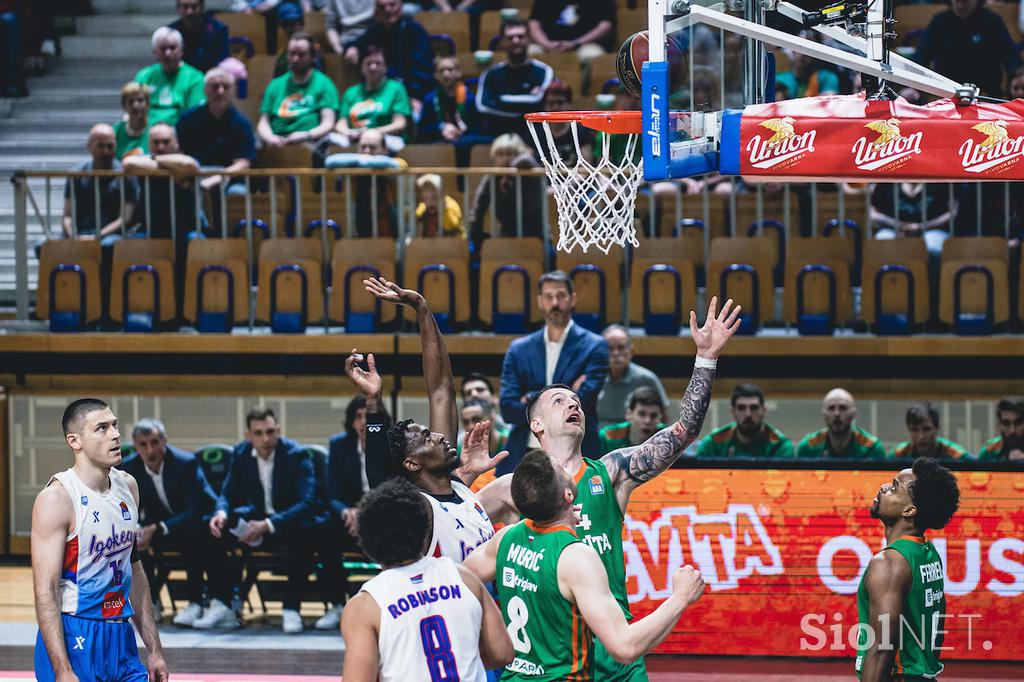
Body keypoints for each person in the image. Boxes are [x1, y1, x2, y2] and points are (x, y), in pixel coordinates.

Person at [479, 297, 740, 682]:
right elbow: (457, 544)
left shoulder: (613, 471)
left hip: (616, 651)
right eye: (559, 400)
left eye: (576, 400)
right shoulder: (511, 488)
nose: (573, 404)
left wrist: (706, 359)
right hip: (552, 656)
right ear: (536, 425)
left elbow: (683, 431)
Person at [466, 450, 707, 680]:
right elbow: (625, 646)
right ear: (568, 495)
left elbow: (460, 578)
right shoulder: (576, 557)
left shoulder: (506, 538)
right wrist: (680, 597)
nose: (565, 467)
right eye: (560, 468)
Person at [363, 276, 506, 564]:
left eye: (432, 433)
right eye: (426, 438)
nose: (440, 436)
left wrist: (422, 308)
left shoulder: (462, 490)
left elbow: (441, 389)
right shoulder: (416, 509)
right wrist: (374, 404)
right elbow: (378, 476)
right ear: (412, 463)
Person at [32, 399, 168, 682]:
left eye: (115, 425)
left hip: (120, 636)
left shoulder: (128, 485)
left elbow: (134, 567)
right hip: (76, 633)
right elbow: (46, 590)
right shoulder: (57, 498)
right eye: (102, 428)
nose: (115, 434)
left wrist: (154, 649)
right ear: (75, 441)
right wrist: (62, 669)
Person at [340, 478, 514, 681]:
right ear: (425, 533)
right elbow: (503, 653)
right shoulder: (464, 578)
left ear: (366, 544)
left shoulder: (364, 606)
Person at [196, 406, 316, 633]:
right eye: (258, 433)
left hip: (286, 523)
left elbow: (307, 503)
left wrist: (268, 525)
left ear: (278, 430)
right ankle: (222, 603)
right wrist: (221, 512)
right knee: (210, 526)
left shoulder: (296, 455)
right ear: (248, 435)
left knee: (307, 531)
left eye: (270, 431)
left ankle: (291, 608)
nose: (266, 438)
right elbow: (227, 493)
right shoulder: (241, 453)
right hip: (254, 522)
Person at [855, 458, 960, 682]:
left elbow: (882, 648)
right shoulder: (927, 553)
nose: (883, 488)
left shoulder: (889, 563)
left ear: (910, 510)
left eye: (894, 487)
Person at [499, 270, 609, 473]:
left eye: (561, 296)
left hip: (579, 454)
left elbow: (584, 400)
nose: (555, 303)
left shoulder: (595, 346)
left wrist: (531, 399)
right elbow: (507, 408)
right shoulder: (519, 349)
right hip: (524, 452)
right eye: (549, 297)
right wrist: (566, 393)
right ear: (540, 301)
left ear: (572, 298)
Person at [119, 418, 217, 627]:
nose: (150, 449)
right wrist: (136, 530)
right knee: (136, 543)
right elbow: (125, 508)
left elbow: (195, 510)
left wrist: (157, 528)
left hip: (193, 524)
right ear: (135, 446)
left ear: (164, 441)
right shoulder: (129, 468)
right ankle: (150, 602)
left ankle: (195, 603)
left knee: (193, 538)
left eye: (155, 442)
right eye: (143, 445)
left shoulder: (185, 463)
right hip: (159, 527)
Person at [314, 382, 392, 630]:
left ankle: (388, 605)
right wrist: (345, 511)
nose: (362, 422)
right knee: (323, 528)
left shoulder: (391, 443)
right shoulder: (339, 445)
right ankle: (336, 605)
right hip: (349, 519)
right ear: (351, 421)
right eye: (357, 417)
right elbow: (331, 491)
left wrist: (367, 514)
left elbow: (396, 489)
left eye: (367, 416)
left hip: (381, 517)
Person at [176, 68, 257, 196]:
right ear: (205, 90)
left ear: (233, 91)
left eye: (226, 87)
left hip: (229, 179)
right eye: (215, 86)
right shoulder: (187, 119)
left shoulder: (242, 123)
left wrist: (219, 177)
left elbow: (243, 162)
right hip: (194, 176)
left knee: (238, 192)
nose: (220, 91)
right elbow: (178, 152)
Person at [916, 0, 1020, 98]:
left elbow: (1010, 55)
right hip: (946, 94)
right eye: (957, 1)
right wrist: (911, 87)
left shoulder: (993, 21)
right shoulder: (939, 21)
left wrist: (1017, 77)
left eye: (965, 1)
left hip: (985, 94)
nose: (960, 6)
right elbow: (921, 56)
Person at [258, 32, 339, 148]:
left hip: (310, 140)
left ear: (312, 57)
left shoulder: (324, 84)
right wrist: (270, 137)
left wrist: (306, 135)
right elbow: (263, 121)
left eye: (301, 55)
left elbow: (328, 122)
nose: (295, 59)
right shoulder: (275, 84)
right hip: (277, 140)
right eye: (291, 54)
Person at [345, 0, 434, 105]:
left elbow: (421, 69)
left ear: (400, 7)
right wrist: (353, 47)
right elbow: (360, 42)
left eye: (392, 5)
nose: (387, 10)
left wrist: (415, 95)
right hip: (382, 91)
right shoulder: (376, 29)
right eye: (382, 7)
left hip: (410, 92)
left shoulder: (414, 30)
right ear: (376, 10)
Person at [476, 18, 553, 139]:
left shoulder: (543, 71)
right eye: (510, 38)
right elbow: (483, 106)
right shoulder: (491, 74)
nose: (516, 41)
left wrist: (501, 99)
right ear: (502, 41)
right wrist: (525, 107)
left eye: (520, 36)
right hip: (497, 134)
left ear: (529, 38)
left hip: (532, 135)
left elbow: (538, 101)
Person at [468, 133, 545, 246]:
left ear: (518, 154)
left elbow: (527, 159)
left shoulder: (530, 174)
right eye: (500, 154)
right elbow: (476, 212)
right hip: (507, 236)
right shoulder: (492, 178)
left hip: (536, 237)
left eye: (510, 154)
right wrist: (477, 240)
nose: (505, 159)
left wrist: (510, 174)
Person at [336, 46, 411, 150]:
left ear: (385, 67)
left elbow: (400, 123)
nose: (373, 67)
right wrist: (349, 133)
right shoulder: (351, 92)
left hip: (385, 137)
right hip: (355, 137)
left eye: (378, 63)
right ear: (361, 67)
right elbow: (341, 124)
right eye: (368, 63)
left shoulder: (396, 89)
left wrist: (372, 133)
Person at [596, 324, 669, 429]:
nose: (616, 353)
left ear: (631, 351)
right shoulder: (591, 378)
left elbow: (663, 417)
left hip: (635, 442)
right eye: (610, 348)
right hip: (598, 442)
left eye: (621, 347)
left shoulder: (646, 379)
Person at [695, 383, 793, 458]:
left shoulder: (780, 446)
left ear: (764, 410)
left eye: (754, 408)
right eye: (741, 408)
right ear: (733, 412)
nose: (748, 414)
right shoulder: (713, 444)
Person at [134, 27, 206, 127]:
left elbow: (195, 114)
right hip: (147, 132)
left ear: (181, 50)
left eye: (172, 48)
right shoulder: (144, 76)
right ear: (155, 52)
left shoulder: (196, 78)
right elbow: (134, 109)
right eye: (163, 48)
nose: (168, 53)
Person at [795, 388, 886, 459]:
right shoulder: (808, 447)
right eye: (831, 408)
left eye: (843, 408)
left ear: (853, 413)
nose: (837, 414)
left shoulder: (872, 448)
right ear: (824, 413)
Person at [528, 0, 615, 67]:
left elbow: (605, 26)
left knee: (592, 55)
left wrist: (576, 43)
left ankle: (586, 90)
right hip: (547, 43)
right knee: (529, 51)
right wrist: (546, 44)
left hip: (585, 44)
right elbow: (534, 23)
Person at [418, 55, 483, 146]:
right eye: (441, 71)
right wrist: (441, 128)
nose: (446, 74)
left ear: (459, 72)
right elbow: (423, 129)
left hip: (466, 141)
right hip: (439, 141)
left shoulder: (470, 99)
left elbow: (479, 127)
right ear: (435, 75)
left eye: (450, 70)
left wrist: (462, 131)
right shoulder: (430, 99)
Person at [598, 387, 667, 456]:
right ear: (628, 414)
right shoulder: (607, 436)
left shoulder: (668, 436)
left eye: (653, 416)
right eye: (642, 414)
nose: (647, 421)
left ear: (660, 418)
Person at [889, 402, 969, 460]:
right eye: (914, 430)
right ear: (908, 430)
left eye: (927, 429)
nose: (921, 436)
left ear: (937, 428)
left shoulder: (957, 456)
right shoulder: (897, 456)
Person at [169, 0, 229, 73]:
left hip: (210, 78)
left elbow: (222, 63)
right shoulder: (171, 32)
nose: (189, 12)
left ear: (202, 7)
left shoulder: (218, 30)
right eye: (185, 7)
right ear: (178, 8)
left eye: (194, 7)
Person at [414, 173, 465, 238]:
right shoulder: (423, 206)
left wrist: (442, 208)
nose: (429, 201)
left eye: (434, 197)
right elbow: (415, 218)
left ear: (440, 192)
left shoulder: (451, 205)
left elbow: (450, 226)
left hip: (454, 244)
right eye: (426, 198)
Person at [977, 396, 1024, 461]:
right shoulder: (990, 450)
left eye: (1018, 423)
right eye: (1006, 423)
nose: (1012, 430)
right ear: (999, 424)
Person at [114, 82, 151, 159]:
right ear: (124, 106)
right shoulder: (115, 131)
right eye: (131, 101)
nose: (135, 105)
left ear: (147, 104)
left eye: (140, 100)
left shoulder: (155, 131)